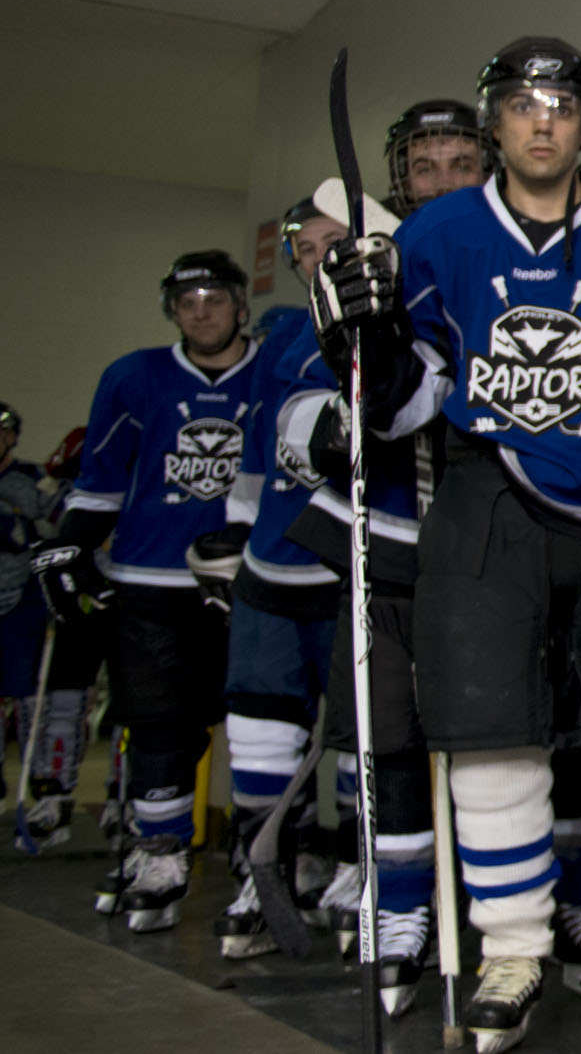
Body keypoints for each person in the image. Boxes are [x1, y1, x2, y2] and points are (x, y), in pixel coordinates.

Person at [313, 38, 581, 1054]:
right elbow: (410, 398)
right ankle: (512, 948)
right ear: (494, 125)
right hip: (484, 496)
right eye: (519, 103)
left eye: (560, 103)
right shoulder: (443, 234)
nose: (542, 119)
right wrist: (365, 346)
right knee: (487, 733)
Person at [281, 97, 494, 1011]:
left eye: (460, 163)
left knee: (521, 735)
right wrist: (344, 408)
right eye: (425, 166)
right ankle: (402, 902)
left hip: (498, 541)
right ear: (399, 177)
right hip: (393, 543)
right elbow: (295, 416)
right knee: (389, 741)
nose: (442, 181)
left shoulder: (509, 260)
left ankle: (542, 911)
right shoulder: (358, 270)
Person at [32, 250, 262, 929]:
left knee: (263, 721)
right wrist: (70, 541)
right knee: (159, 722)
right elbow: (100, 479)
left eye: (214, 298)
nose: (201, 312)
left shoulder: (276, 371)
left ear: (239, 303)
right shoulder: (134, 377)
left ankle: (264, 853)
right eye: (186, 302)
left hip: (250, 578)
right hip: (151, 580)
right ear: (172, 310)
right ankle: (158, 851)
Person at [202, 198, 352, 960]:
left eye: (337, 242)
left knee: (367, 737)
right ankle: (266, 878)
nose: (320, 257)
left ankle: (366, 877)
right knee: (259, 733)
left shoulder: (390, 320)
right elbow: (259, 446)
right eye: (307, 248)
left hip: (357, 565)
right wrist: (233, 533)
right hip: (273, 566)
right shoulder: (280, 338)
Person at [3, 400, 90, 848]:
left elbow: (60, 522)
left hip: (31, 604)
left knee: (48, 705)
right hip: (29, 599)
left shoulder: (31, 479)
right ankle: (36, 797)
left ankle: (54, 799)